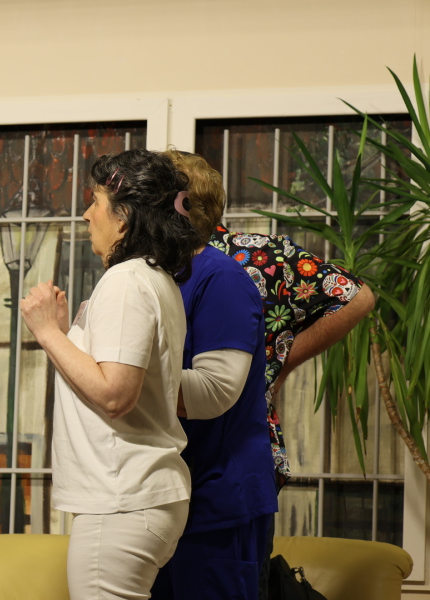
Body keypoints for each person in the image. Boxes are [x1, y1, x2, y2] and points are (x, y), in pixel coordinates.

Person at [161, 149, 375, 599]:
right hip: (173, 460)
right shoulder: (157, 264)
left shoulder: (260, 255)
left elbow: (356, 296)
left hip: (229, 464)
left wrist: (282, 359)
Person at [19, 150, 201, 599]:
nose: (86, 214)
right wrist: (67, 337)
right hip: (135, 498)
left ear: (124, 219)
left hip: (123, 500)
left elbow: (116, 394)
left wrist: (47, 333)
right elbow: (109, 376)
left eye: (96, 202)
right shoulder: (153, 279)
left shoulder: (127, 281)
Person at [150, 157, 276, 600]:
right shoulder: (159, 277)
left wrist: (121, 382)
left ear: (178, 206)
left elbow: (215, 390)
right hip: (168, 497)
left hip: (217, 501)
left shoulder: (220, 279)